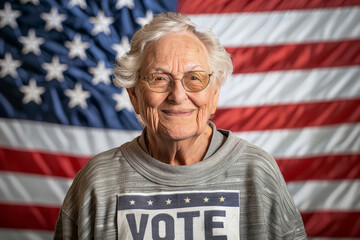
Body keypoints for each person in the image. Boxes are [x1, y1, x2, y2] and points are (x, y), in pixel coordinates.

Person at [54, 12, 307, 239]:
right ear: (134, 96)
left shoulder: (257, 172)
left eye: (194, 78)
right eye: (159, 78)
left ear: (214, 95)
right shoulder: (97, 181)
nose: (178, 95)